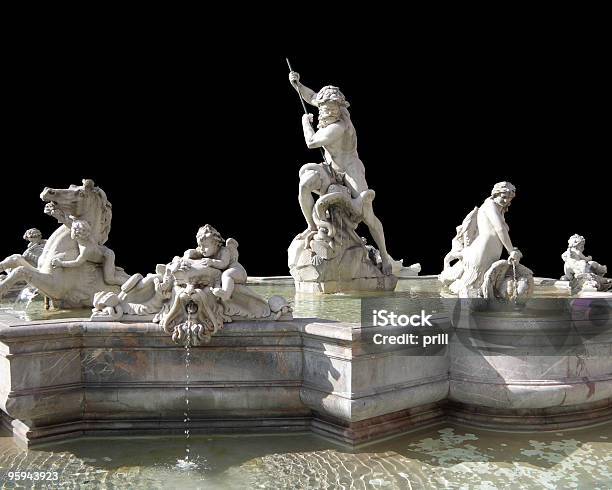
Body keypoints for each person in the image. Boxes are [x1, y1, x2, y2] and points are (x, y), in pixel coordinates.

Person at [289, 71, 394, 274]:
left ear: (339, 109)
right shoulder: (325, 110)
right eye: (323, 108)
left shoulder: (338, 127)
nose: (325, 112)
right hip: (330, 168)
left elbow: (311, 142)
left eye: (330, 109)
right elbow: (312, 97)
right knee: (305, 183)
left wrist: (304, 122)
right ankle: (312, 226)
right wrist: (297, 84)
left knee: (367, 214)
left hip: (349, 170)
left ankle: (385, 256)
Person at [184, 224, 246, 301]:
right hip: (226, 273)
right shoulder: (204, 251)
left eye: (205, 246)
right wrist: (190, 253)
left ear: (216, 243)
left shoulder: (224, 251)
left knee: (226, 275)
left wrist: (212, 262)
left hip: (237, 271)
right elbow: (195, 252)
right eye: (200, 245)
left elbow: (224, 264)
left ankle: (226, 294)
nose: (202, 249)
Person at [51, 219, 123, 286]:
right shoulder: (87, 237)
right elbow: (70, 224)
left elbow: (77, 263)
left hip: (107, 256)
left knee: (109, 279)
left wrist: (60, 263)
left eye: (73, 230)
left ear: (77, 234)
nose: (71, 231)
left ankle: (126, 283)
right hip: (101, 256)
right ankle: (112, 268)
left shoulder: (85, 250)